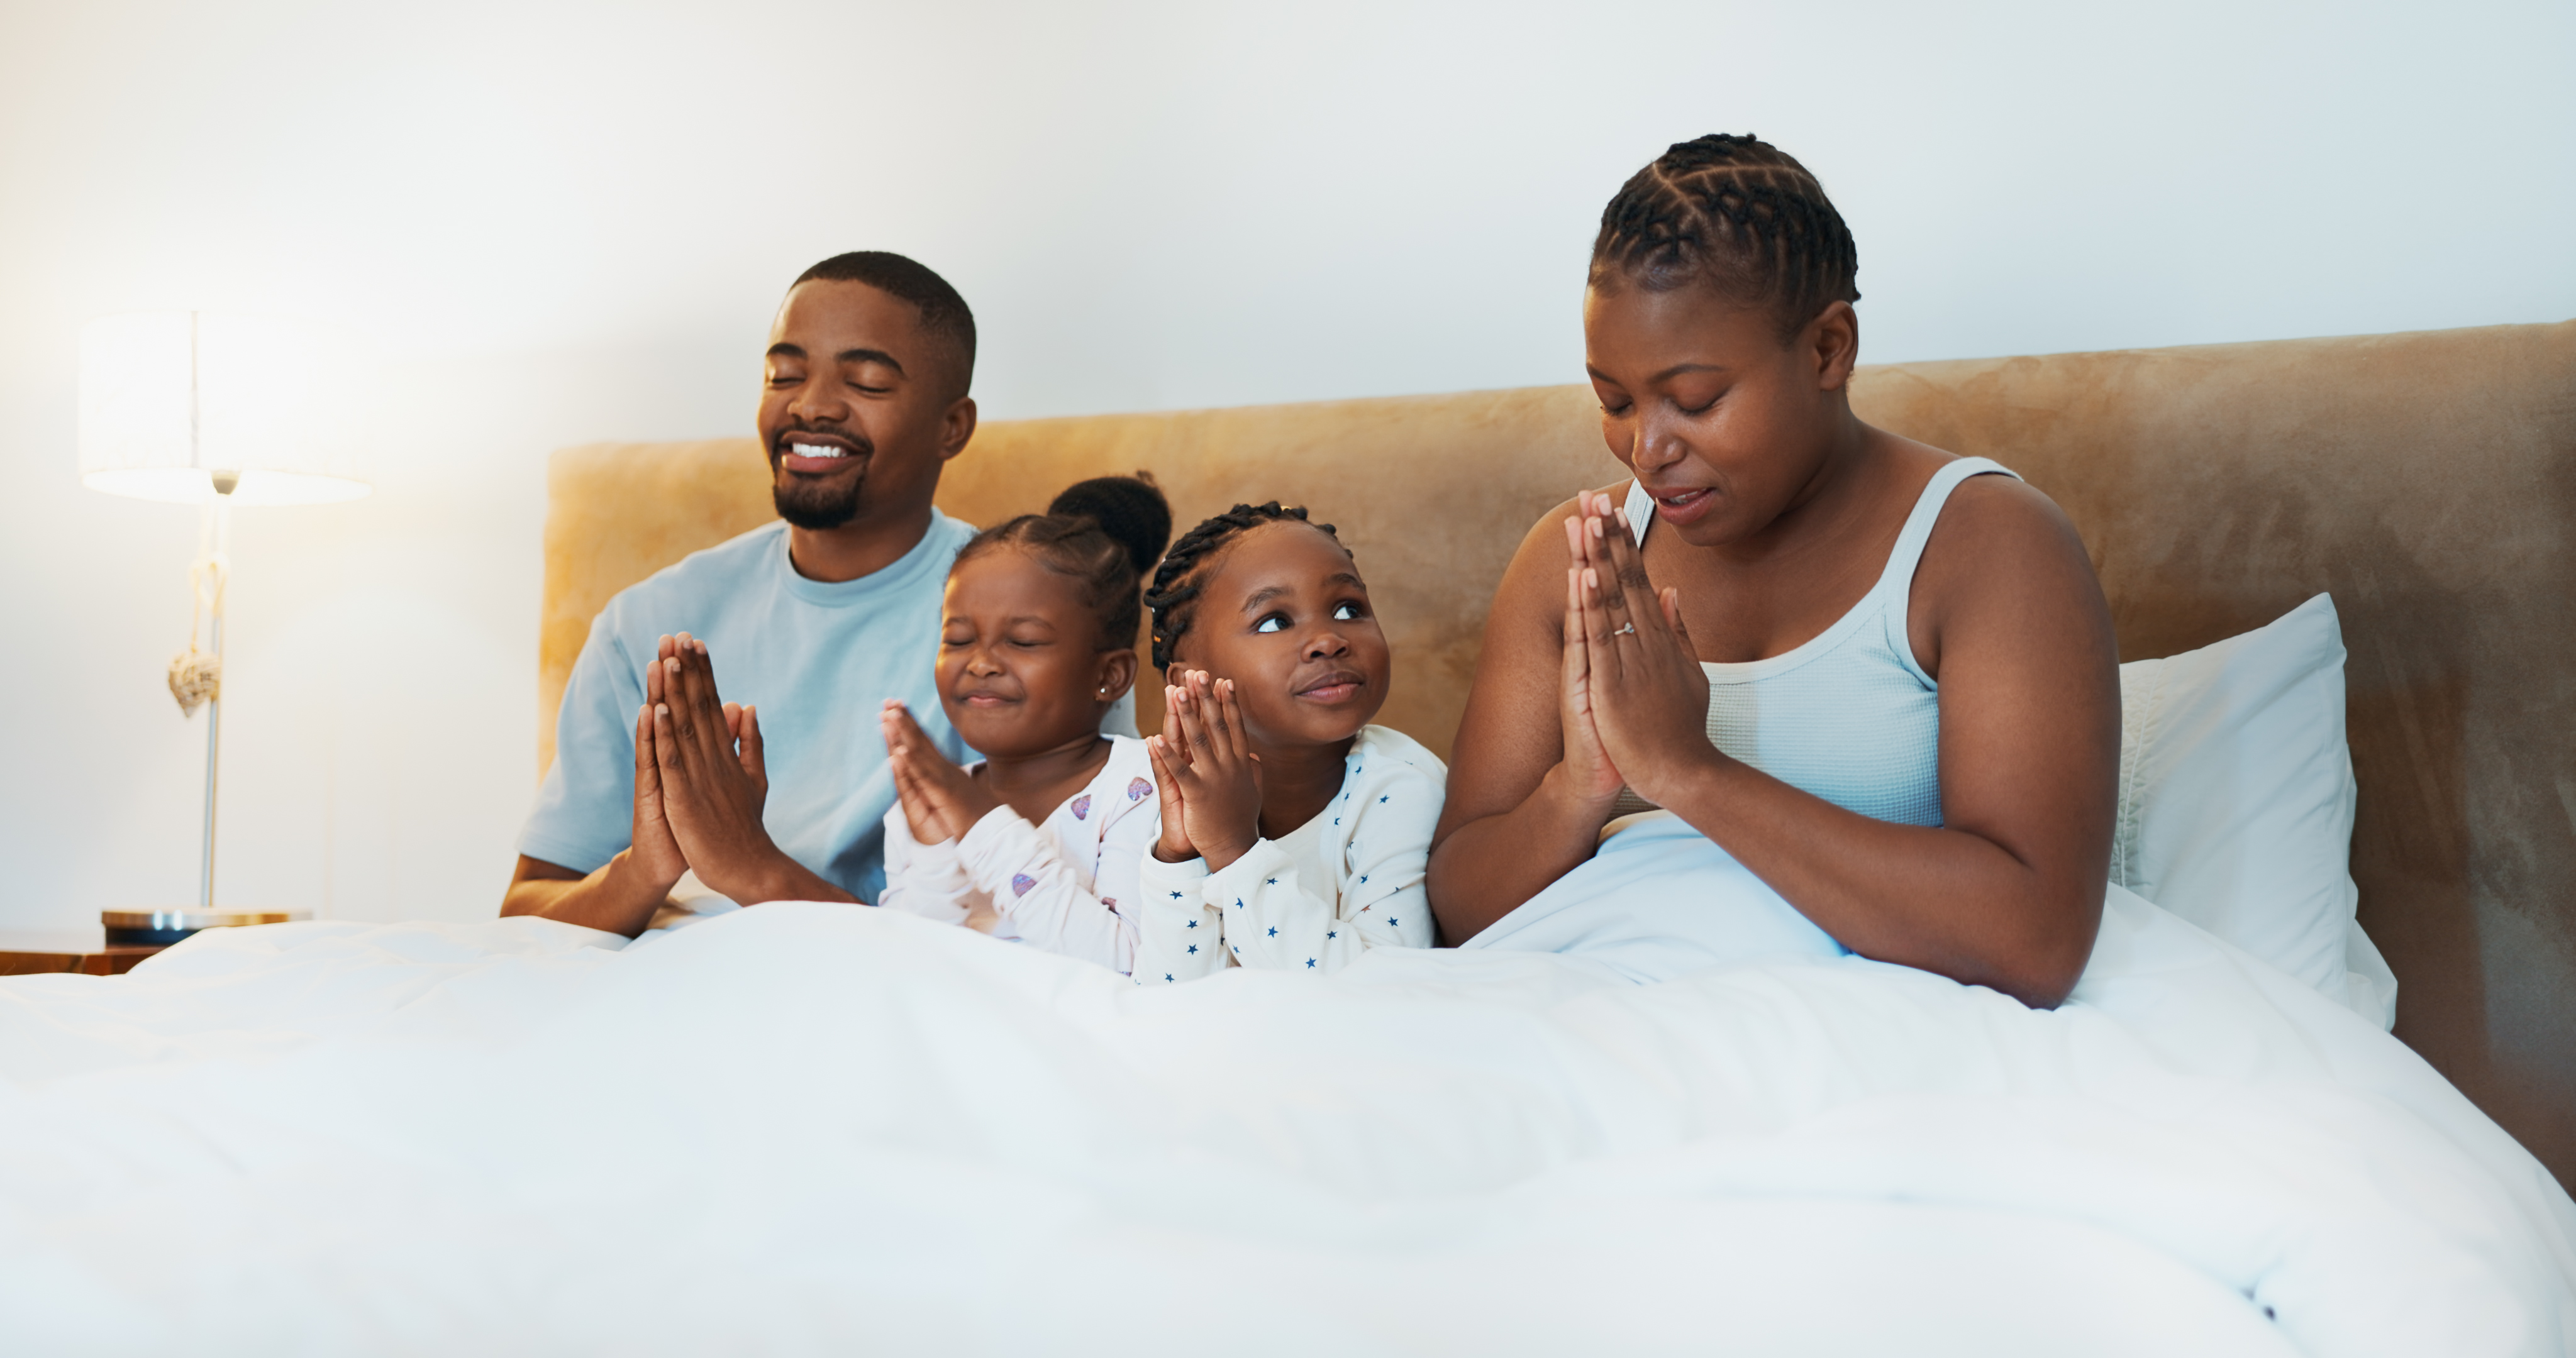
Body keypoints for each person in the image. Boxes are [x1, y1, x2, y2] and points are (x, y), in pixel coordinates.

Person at [1428, 135, 2119, 1009]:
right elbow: (1456, 911)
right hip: (1596, 1023)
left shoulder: (1988, 546)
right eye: (1614, 401)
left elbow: (2036, 939)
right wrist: (1581, 786)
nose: (1649, 449)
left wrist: (1689, 772)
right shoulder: (1578, 558)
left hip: (1866, 1040)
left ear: (1829, 349)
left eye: (1697, 400)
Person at [501, 251, 982, 937]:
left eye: (867, 382)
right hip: (652, 999)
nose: (810, 405)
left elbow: (1052, 931)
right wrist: (647, 867)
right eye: (784, 375)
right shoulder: (645, 623)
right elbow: (527, 911)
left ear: (952, 428)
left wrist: (752, 868)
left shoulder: (1032, 624)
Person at [872, 475, 1173, 973]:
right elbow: (905, 966)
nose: (982, 663)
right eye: (959, 639)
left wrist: (979, 824)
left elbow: (1125, 964)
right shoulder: (928, 804)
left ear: (1109, 675)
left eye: (1024, 641)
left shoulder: (1144, 787)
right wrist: (932, 851)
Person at [1133, 504, 1444, 983]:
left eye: (1348, 609)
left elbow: (1380, 988)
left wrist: (1235, 852)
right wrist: (1180, 858)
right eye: (1275, 621)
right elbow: (1170, 999)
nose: (1327, 640)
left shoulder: (1401, 786)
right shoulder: (1177, 793)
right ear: (1192, 682)